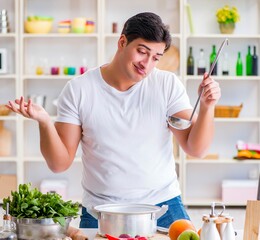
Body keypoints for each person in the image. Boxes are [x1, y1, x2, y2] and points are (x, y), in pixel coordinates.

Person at [7, 12, 221, 228]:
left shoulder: (167, 85)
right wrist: (44, 121)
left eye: (155, 57)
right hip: (101, 211)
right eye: (142, 52)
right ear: (122, 42)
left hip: (163, 206)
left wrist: (206, 107)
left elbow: (196, 148)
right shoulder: (79, 89)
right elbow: (59, 163)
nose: (146, 64)